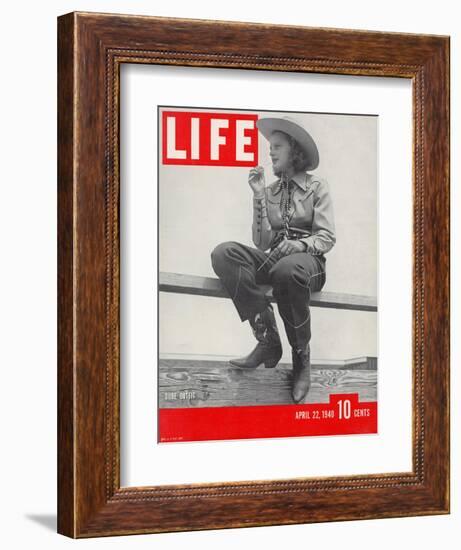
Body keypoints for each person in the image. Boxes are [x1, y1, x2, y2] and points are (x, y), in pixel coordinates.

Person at [210, 116, 336, 403]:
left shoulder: (318, 186)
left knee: (287, 271)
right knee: (224, 253)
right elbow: (262, 242)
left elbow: (327, 238)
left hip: (308, 263)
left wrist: (299, 244)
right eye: (270, 148)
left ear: (294, 151)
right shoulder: (270, 191)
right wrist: (257, 196)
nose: (271, 153)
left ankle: (301, 358)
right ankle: (268, 338)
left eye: (277, 147)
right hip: (275, 259)